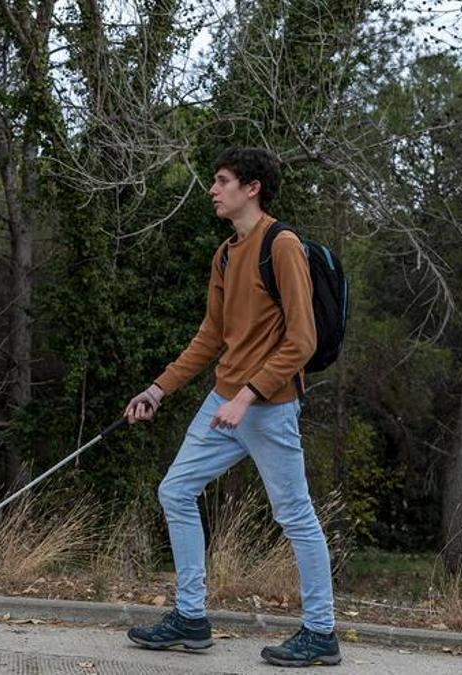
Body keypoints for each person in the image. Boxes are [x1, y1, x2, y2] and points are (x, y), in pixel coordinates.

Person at [122, 147, 341, 667]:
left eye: (222, 181)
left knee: (294, 516)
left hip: (268, 407)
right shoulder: (225, 254)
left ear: (252, 187)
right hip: (223, 402)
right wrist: (158, 389)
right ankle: (191, 619)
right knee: (175, 491)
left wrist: (248, 395)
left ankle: (321, 632)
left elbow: (302, 341)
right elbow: (211, 336)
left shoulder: (281, 245)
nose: (213, 190)